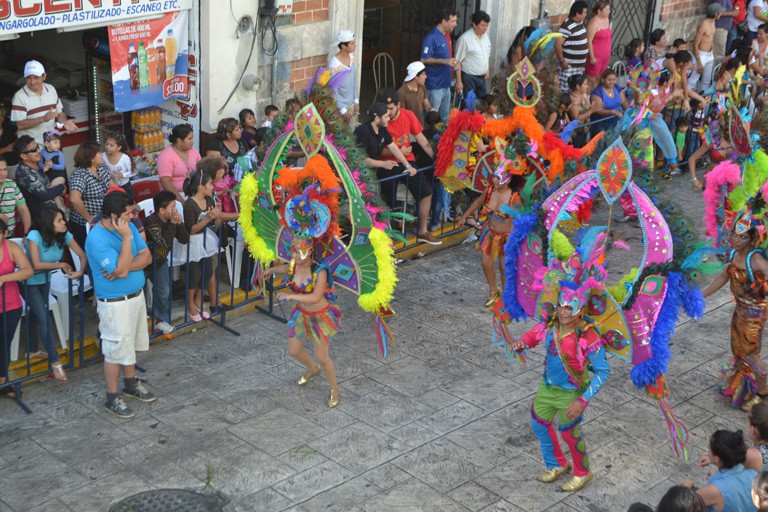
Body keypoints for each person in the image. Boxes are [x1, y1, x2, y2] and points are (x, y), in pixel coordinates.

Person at [509, 250, 610, 493]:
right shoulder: (551, 325)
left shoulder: (588, 335)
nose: (563, 311)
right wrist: (522, 341)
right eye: (561, 306)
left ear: (580, 310)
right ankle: (557, 464)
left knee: (569, 433)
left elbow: (603, 372)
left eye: (569, 307)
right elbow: (535, 334)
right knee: (540, 425)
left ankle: (582, 472)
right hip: (547, 387)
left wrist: (583, 400)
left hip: (571, 394)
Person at [85, 189, 155, 419]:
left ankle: (131, 383)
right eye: (128, 213)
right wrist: (125, 242)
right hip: (115, 304)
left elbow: (147, 257)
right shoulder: (96, 238)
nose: (133, 216)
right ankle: (112, 397)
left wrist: (124, 268)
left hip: (135, 296)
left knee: (130, 345)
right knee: (115, 351)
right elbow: (123, 267)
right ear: (114, 215)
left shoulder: (130, 226)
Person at [262, 227, 343, 409]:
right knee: (294, 350)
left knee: (323, 357)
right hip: (301, 315)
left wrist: (290, 297)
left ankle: (335, 389)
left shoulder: (319, 271)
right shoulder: (293, 264)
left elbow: (315, 297)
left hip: (321, 317)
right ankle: (312, 369)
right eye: (294, 252)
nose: (296, 257)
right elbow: (286, 268)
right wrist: (272, 269)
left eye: (300, 253)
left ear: (311, 251)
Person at [702, 213, 768, 411]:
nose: (737, 240)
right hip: (740, 309)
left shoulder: (754, 258)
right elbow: (723, 277)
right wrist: (700, 296)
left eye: (743, 237)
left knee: (750, 353)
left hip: (755, 314)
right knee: (737, 349)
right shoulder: (733, 255)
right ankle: (746, 384)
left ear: (752, 238)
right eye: (735, 235)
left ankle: (763, 391)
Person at [354, 102, 440, 245]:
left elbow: (393, 148)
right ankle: (374, 242)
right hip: (361, 176)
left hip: (376, 172)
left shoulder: (382, 130)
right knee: (376, 206)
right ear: (377, 118)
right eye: (386, 116)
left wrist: (407, 165)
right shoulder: (362, 131)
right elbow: (359, 159)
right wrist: (383, 164)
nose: (389, 119)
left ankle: (396, 236)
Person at [24, 206, 87, 382]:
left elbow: (82, 254)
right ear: (48, 224)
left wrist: (80, 271)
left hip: (46, 280)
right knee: (44, 318)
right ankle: (55, 362)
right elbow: (36, 264)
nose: (64, 222)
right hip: (29, 282)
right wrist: (61, 265)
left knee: (36, 314)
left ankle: (32, 349)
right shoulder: (34, 235)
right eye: (59, 220)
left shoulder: (63, 234)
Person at [376, 92, 442, 244]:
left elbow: (421, 139)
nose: (388, 112)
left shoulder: (408, 115)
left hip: (408, 163)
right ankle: (389, 234)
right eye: (385, 109)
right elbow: (377, 151)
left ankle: (422, 231)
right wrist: (399, 152)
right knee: (388, 198)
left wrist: (435, 157)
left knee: (426, 192)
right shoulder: (380, 120)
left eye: (391, 109)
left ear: (399, 105)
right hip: (387, 164)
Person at [457, 165, 516, 306]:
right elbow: (478, 202)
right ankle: (493, 291)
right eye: (494, 176)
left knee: (504, 267)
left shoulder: (514, 197)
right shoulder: (489, 191)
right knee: (486, 263)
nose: (494, 180)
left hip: (507, 237)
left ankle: (507, 296)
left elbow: (523, 217)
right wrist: (464, 216)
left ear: (507, 181)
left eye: (499, 178)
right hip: (489, 233)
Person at [143, 191, 189, 334]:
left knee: (164, 291)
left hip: (160, 262)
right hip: (142, 264)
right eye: (172, 207)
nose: (175, 210)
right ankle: (141, 325)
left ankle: (161, 321)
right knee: (138, 294)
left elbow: (184, 239)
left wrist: (179, 223)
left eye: (175, 206)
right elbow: (163, 243)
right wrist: (174, 225)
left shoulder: (172, 220)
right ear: (162, 210)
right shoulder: (151, 221)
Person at [681, 430, 757, 511]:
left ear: (717, 458)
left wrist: (687, 484)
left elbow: (684, 502)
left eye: (709, 450)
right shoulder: (754, 474)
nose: (708, 452)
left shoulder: (714, 490)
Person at [0, 217, 33, 398]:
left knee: (4, 342)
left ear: (5, 234)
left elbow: (27, 270)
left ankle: (3, 381)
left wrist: (4, 278)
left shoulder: (11, 248)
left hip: (10, 304)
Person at [183, 170, 221, 322]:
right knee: (192, 275)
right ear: (201, 187)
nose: (213, 186)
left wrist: (217, 215)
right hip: (193, 242)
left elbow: (215, 225)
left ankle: (199, 299)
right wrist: (206, 219)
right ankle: (190, 304)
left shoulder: (210, 200)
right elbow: (191, 229)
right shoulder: (189, 205)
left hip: (207, 240)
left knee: (207, 271)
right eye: (210, 184)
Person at [10, 61, 77, 145]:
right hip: (30, 148)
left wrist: (65, 122)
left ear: (44, 76)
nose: (32, 82)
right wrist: (43, 119)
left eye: (36, 77)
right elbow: (20, 125)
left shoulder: (51, 89)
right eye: (28, 78)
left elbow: (59, 114)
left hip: (50, 145)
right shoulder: (19, 96)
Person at [68, 141, 117, 250]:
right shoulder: (79, 175)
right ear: (91, 157)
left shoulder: (100, 168)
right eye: (99, 153)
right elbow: (75, 199)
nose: (102, 155)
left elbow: (114, 188)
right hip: (84, 224)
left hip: (104, 219)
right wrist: (90, 219)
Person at [13, 135, 65, 221]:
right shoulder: (24, 173)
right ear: (23, 156)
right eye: (34, 150)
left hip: (54, 214)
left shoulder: (38, 164)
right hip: (43, 219)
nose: (39, 150)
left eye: (37, 147)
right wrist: (62, 187)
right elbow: (45, 195)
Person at [420, 8, 459, 123]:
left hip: (446, 85)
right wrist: (445, 61)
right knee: (432, 119)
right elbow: (424, 59)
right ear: (443, 21)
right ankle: (429, 140)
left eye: (456, 21)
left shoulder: (446, 35)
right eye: (452, 21)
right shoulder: (431, 37)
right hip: (434, 85)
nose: (455, 24)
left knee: (445, 118)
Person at [157, 124, 201, 204]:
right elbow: (166, 182)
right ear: (179, 140)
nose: (193, 141)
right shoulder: (165, 156)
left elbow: (201, 168)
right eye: (189, 139)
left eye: (192, 138)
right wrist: (182, 202)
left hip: (194, 192)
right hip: (174, 197)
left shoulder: (193, 151)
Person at [454, 10, 492, 100]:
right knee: (469, 105)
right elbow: (457, 62)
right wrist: (459, 82)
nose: (485, 28)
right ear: (474, 24)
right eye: (482, 25)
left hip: (482, 78)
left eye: (487, 25)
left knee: (483, 104)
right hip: (469, 78)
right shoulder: (465, 39)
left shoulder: (486, 37)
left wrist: (487, 69)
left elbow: (487, 55)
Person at [556, 1, 589, 93]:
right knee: (566, 92)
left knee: (577, 92)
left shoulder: (580, 24)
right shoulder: (567, 26)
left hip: (579, 67)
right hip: (569, 67)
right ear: (577, 14)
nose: (586, 14)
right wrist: (563, 62)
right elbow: (558, 45)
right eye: (584, 12)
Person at [690, 4, 724, 92]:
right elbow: (695, 44)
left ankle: (703, 100)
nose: (721, 14)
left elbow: (710, 39)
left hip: (709, 55)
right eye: (719, 13)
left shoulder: (713, 22)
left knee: (706, 81)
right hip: (701, 55)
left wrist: (714, 53)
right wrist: (698, 61)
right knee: (693, 79)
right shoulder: (703, 25)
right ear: (716, 14)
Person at [328, 30, 359, 123]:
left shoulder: (352, 58)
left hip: (351, 105)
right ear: (343, 46)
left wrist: (356, 100)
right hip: (340, 109)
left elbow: (354, 80)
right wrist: (342, 110)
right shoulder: (334, 64)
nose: (355, 45)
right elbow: (333, 90)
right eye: (352, 43)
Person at [589, 68, 628, 135]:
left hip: (616, 121)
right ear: (603, 80)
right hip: (601, 124)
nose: (612, 82)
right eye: (609, 80)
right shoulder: (597, 92)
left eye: (614, 80)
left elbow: (624, 103)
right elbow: (598, 111)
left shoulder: (617, 88)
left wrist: (629, 112)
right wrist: (613, 112)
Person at [0, 156, 31, 238]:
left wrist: (27, 233)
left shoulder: (12, 186)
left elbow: (23, 209)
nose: (3, 174)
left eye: (5, 169)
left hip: (10, 235)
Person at [584, 1, 613, 89]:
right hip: (596, 57)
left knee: (600, 80)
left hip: (605, 57)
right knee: (591, 81)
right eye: (606, 10)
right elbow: (589, 41)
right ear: (599, 11)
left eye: (609, 9)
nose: (609, 11)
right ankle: (587, 100)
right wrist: (592, 57)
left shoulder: (607, 20)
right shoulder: (593, 23)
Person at [568, 74, 602, 147]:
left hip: (585, 129)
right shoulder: (572, 100)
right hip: (575, 133)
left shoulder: (584, 95)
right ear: (578, 86)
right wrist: (591, 110)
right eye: (585, 84)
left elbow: (589, 109)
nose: (587, 86)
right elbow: (576, 118)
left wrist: (593, 107)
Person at [397, 61, 435, 127]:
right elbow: (401, 116)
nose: (426, 77)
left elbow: (426, 104)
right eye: (423, 74)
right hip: (409, 129)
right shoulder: (401, 93)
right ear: (416, 77)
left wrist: (430, 110)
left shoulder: (422, 87)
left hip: (420, 126)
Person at [39, 130, 67, 213]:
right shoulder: (42, 153)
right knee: (55, 196)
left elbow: (62, 167)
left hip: (59, 176)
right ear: (47, 144)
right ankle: (62, 209)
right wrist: (44, 166)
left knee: (52, 190)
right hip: (48, 176)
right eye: (55, 142)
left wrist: (52, 166)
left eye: (59, 142)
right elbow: (39, 164)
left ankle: (61, 210)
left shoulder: (59, 153)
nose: (58, 145)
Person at [102, 131, 135, 200]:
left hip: (125, 187)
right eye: (106, 144)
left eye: (111, 145)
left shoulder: (125, 158)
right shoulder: (102, 156)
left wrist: (122, 175)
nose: (108, 147)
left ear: (119, 147)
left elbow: (133, 172)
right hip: (109, 188)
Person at [0, 103, 18, 174]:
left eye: (2, 116)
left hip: (12, 164)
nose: (0, 118)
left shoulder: (7, 126)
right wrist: (6, 149)